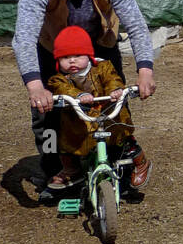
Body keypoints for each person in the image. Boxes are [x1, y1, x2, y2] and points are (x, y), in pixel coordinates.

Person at [12, 0, 157, 189]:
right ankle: (57, 168)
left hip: (101, 47)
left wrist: (145, 69)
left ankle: (113, 166)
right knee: (49, 114)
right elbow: (24, 36)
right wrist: (35, 85)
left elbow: (136, 24)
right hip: (54, 52)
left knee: (113, 105)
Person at [45, 26, 151, 188]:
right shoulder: (59, 78)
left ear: (88, 55)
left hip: (108, 113)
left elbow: (112, 79)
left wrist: (115, 90)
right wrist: (78, 96)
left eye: (78, 55)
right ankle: (72, 169)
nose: (72, 61)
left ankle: (140, 162)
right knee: (66, 142)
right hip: (78, 119)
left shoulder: (103, 67)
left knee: (123, 138)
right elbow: (61, 89)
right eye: (65, 57)